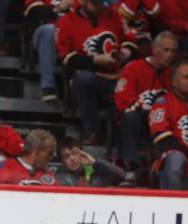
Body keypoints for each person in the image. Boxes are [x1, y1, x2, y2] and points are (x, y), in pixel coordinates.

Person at [56, 0, 137, 144]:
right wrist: (94, 60)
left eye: (101, 3)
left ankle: (126, 141)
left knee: (132, 81)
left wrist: (127, 50)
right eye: (95, 3)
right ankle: (92, 131)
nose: (99, 7)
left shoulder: (114, 15)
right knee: (84, 78)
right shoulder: (66, 21)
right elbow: (66, 58)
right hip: (87, 77)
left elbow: (129, 39)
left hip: (115, 75)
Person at [115, 31, 177, 180]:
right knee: (130, 117)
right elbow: (123, 100)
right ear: (155, 50)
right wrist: (149, 110)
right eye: (165, 50)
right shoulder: (133, 68)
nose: (170, 55)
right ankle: (132, 167)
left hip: (164, 122)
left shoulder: (174, 74)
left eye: (173, 51)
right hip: (139, 118)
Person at [149, 59, 188, 190]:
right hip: (174, 155)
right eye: (186, 77)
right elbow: (162, 139)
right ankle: (172, 205)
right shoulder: (163, 102)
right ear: (174, 82)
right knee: (176, 159)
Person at [24, 0, 74, 101]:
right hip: (44, 34)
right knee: (49, 30)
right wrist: (57, 9)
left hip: (71, 35)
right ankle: (48, 87)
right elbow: (33, 13)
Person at [56, 137, 126, 186]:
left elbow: (121, 176)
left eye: (75, 153)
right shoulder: (60, 176)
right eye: (66, 156)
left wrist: (95, 163)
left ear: (82, 153)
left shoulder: (94, 167)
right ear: (62, 161)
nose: (72, 158)